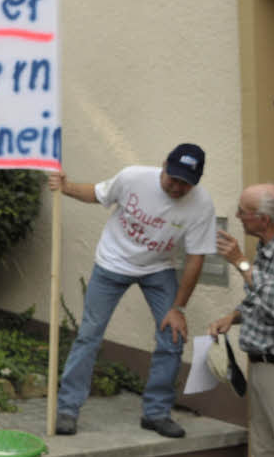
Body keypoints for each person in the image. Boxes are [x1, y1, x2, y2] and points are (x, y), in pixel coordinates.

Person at [49, 143, 217, 439]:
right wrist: (66, 187)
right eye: (173, 178)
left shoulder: (202, 205)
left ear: (197, 181)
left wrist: (178, 309)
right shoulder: (133, 177)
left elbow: (195, 259)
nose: (177, 187)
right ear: (163, 165)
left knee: (172, 335)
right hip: (112, 263)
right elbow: (98, 194)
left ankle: (156, 413)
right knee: (90, 334)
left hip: (158, 268)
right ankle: (67, 409)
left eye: (185, 183)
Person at [209, 184, 274, 456]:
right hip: (261, 365)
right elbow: (261, 299)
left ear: (263, 219)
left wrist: (241, 262)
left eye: (243, 211)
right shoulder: (266, 248)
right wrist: (233, 316)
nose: (238, 216)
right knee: (263, 448)